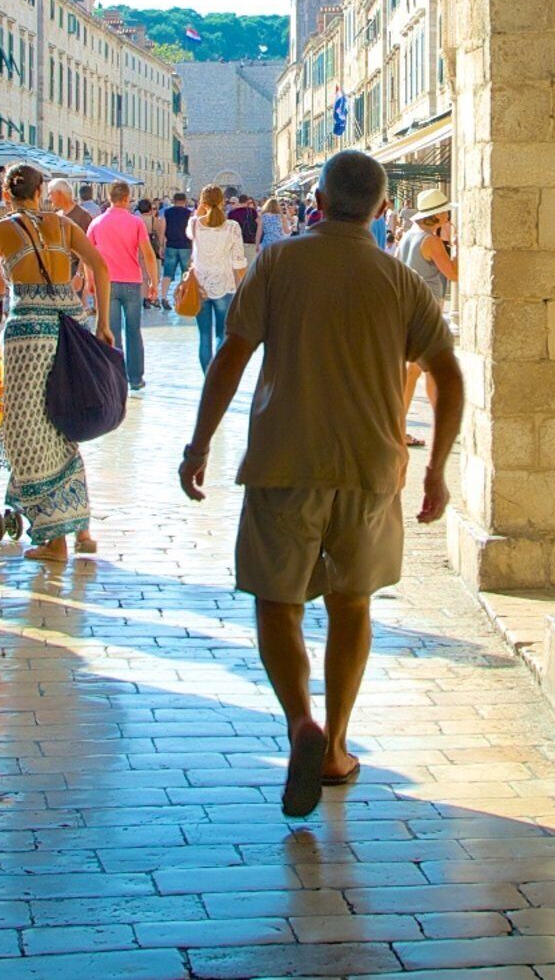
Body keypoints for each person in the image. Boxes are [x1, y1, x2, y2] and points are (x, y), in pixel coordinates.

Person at [181, 149, 464, 816]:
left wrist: (200, 443)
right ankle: (335, 745)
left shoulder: (279, 262)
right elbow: (448, 374)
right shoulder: (400, 281)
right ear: (383, 208)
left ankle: (299, 722)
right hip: (370, 465)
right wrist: (437, 467)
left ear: (318, 201)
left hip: (285, 456)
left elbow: (233, 354)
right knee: (352, 602)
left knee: (276, 601)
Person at [0, 162, 104, 560]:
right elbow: (100, 266)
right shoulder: (64, 226)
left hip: (29, 337)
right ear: (41, 192)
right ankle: (80, 530)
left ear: (5, 193)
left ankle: (55, 540)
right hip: (71, 328)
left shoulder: (0, 230)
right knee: (64, 425)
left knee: (25, 433)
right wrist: (103, 324)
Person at [400, 189, 457, 440]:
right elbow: (453, 274)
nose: (448, 216)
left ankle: (402, 428)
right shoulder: (431, 241)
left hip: (409, 306)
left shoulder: (408, 236)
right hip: (427, 307)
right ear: (437, 215)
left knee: (417, 370)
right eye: (445, 212)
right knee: (424, 368)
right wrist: (455, 245)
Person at [89, 179, 155, 382]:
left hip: (107, 283)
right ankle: (136, 378)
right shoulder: (136, 222)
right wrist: (153, 282)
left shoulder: (96, 223)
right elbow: (148, 254)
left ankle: (117, 377)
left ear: (109, 198)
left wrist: (90, 281)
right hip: (132, 282)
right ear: (127, 198)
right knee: (134, 331)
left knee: (112, 331)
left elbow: (88, 257)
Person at [185, 181, 250, 367]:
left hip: (200, 287)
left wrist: (201, 209)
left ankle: (207, 377)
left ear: (202, 202)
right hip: (225, 285)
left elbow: (189, 233)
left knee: (204, 336)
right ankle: (217, 375)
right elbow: (239, 261)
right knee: (222, 334)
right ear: (223, 201)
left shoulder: (195, 224)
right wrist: (245, 286)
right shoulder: (232, 227)